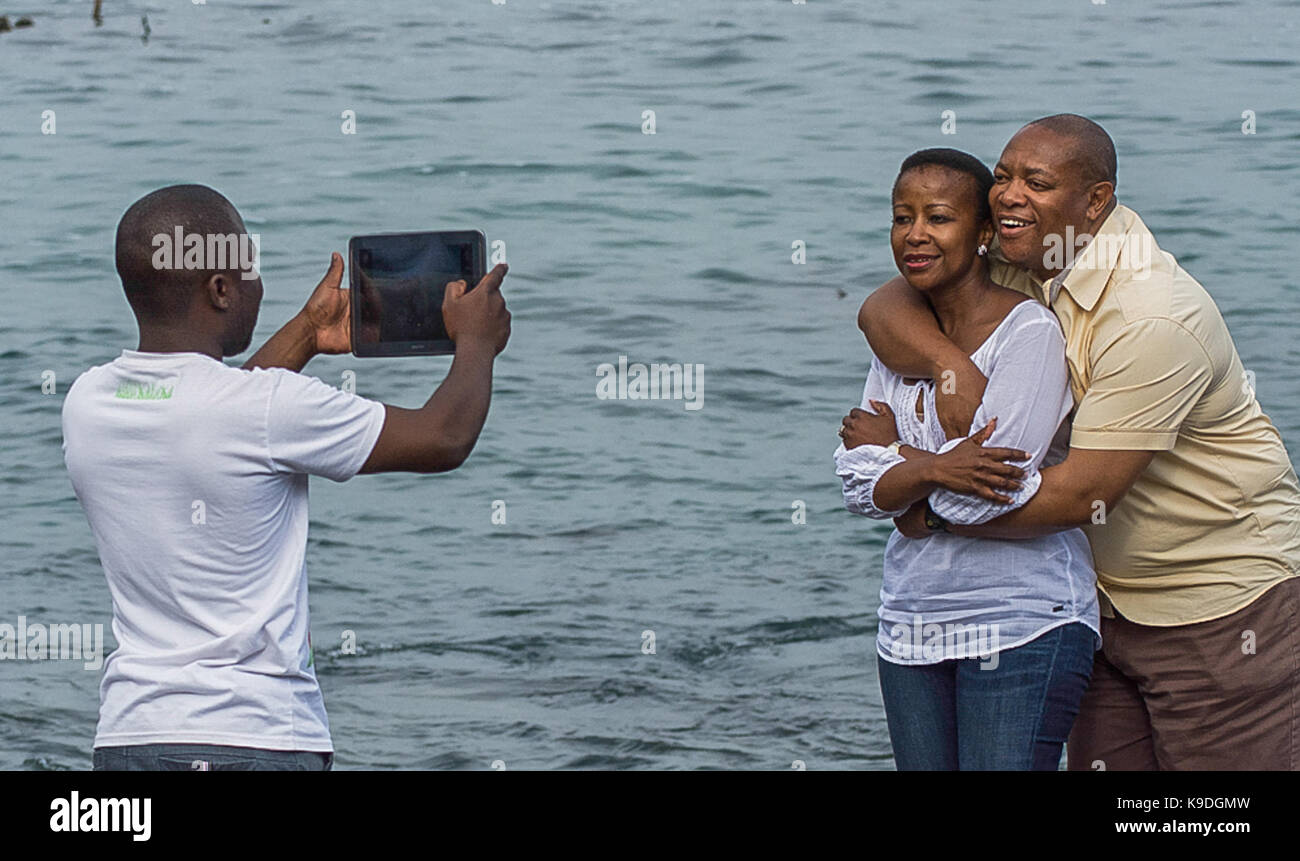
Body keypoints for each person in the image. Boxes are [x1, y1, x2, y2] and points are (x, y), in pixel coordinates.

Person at [860, 116, 1300, 770]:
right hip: (1099, 607)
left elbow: (1080, 494)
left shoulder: (1152, 314)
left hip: (1218, 604)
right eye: (1003, 176)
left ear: (1094, 201)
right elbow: (885, 305)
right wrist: (947, 364)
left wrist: (924, 507)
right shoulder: (1029, 260)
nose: (1008, 195)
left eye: (1035, 182)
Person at [62, 184, 511, 771]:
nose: (260, 285)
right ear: (219, 290)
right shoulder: (268, 408)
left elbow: (212, 416)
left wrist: (309, 330)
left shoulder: (88, 400)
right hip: (258, 739)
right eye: (251, 267)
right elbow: (444, 436)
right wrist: (476, 342)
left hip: (131, 739)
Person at [835, 148, 1099, 770]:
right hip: (910, 624)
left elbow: (990, 489)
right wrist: (926, 466)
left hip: (1024, 623)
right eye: (902, 218)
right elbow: (853, 481)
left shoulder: (1028, 335)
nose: (915, 234)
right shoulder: (903, 340)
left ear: (983, 234)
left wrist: (898, 465)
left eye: (939, 218)